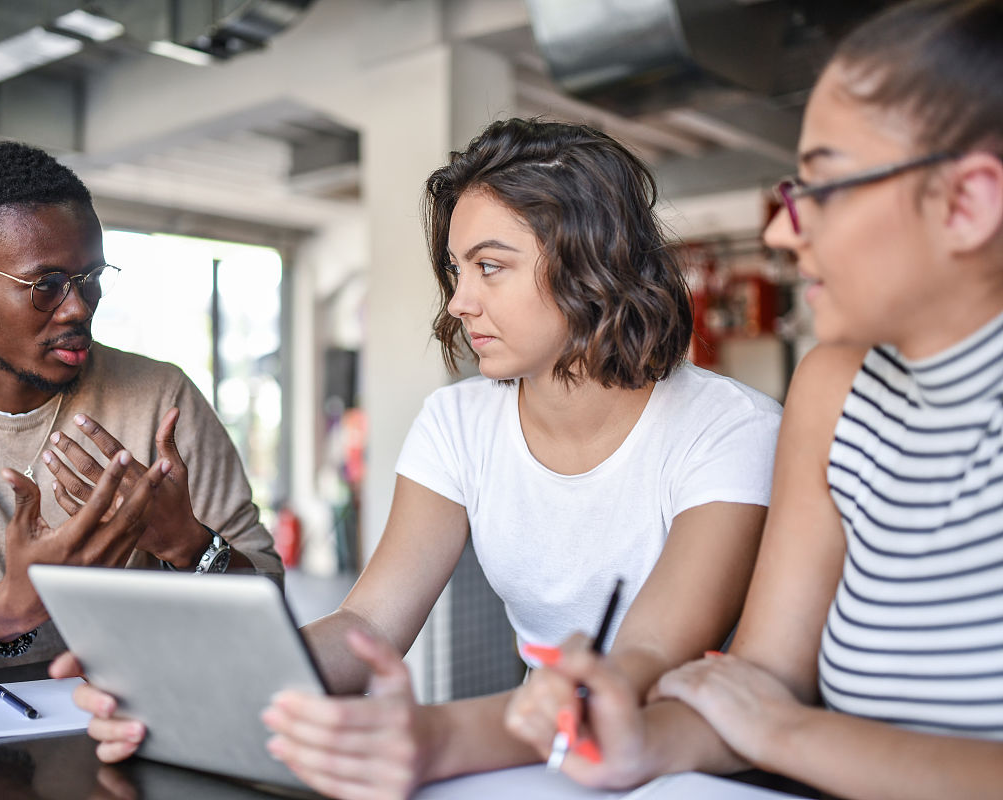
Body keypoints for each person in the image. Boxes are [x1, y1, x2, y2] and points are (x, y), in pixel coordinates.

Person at [56, 117, 782, 798]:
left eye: (490, 267)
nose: (460, 301)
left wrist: (437, 734)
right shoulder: (457, 422)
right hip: (535, 761)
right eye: (455, 268)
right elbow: (366, 624)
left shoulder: (728, 429)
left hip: (689, 764)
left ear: (593, 263)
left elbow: (644, 657)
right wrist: (197, 679)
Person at [504, 2, 1003, 798]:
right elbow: (761, 677)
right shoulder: (839, 392)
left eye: (825, 185)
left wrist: (787, 733)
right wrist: (638, 740)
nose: (780, 232)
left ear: (967, 203)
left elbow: (769, 714)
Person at [0, 141, 283, 687]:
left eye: (90, 276)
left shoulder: (160, 396)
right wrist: (7, 611)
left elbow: (268, 598)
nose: (78, 307)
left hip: (127, 715)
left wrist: (188, 543)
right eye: (44, 285)